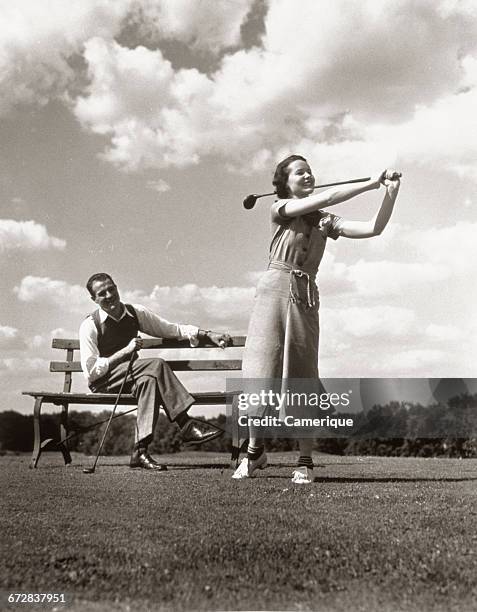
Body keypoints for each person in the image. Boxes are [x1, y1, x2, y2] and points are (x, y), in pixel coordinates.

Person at [233, 155, 401, 483]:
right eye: (300, 171)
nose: (308, 174)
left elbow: (373, 229)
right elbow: (324, 197)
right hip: (273, 289)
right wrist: (370, 182)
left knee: (303, 376)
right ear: (285, 182)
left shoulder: (325, 221)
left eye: (310, 170)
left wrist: (389, 193)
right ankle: (254, 452)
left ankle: (305, 461)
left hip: (306, 296)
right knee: (259, 370)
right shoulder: (279, 207)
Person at [79, 273, 231, 470]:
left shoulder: (135, 313)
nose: (109, 295)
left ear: (117, 287)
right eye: (102, 293)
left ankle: (139, 452)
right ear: (94, 299)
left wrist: (208, 335)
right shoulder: (90, 325)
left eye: (112, 289)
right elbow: (91, 372)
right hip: (104, 381)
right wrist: (125, 351)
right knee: (156, 365)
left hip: (133, 378)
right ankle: (186, 424)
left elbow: (170, 329)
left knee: (148, 381)